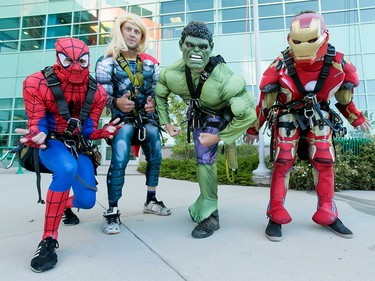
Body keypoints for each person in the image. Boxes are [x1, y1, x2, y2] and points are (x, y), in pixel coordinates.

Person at [245, 11, 371, 242]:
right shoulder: (280, 65)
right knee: (283, 159)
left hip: (318, 115)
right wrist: (254, 128)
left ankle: (328, 212)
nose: (305, 47)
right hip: (287, 114)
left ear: (325, 35)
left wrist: (357, 118)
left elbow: (344, 100)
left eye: (311, 40)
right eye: (299, 41)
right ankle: (275, 214)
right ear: (290, 39)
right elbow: (266, 102)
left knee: (324, 159)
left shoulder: (338, 63)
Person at [16, 37, 122, 272]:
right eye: (68, 60)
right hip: (50, 143)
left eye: (81, 61)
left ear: (87, 60)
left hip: (77, 145)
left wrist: (103, 132)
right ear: (58, 58)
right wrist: (37, 133)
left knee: (87, 200)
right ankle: (48, 239)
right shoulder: (36, 82)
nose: (75, 67)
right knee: (66, 168)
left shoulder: (97, 93)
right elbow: (38, 121)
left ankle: (62, 205)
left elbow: (88, 131)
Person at [155, 21, 256, 239]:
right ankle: (204, 202)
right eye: (190, 45)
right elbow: (160, 95)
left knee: (204, 158)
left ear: (211, 48)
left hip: (221, 117)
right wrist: (166, 123)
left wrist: (219, 136)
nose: (196, 52)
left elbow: (248, 114)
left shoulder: (225, 79)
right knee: (202, 160)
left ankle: (211, 213)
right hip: (198, 117)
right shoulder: (171, 74)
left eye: (203, 47)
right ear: (181, 45)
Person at [95, 13, 170, 235]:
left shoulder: (150, 63)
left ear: (141, 36)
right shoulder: (106, 62)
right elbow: (101, 97)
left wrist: (153, 104)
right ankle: (112, 210)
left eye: (137, 31)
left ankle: (151, 199)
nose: (132, 34)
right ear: (120, 31)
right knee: (119, 159)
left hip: (146, 119)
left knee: (155, 151)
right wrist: (116, 101)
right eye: (129, 29)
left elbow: (159, 93)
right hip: (122, 119)